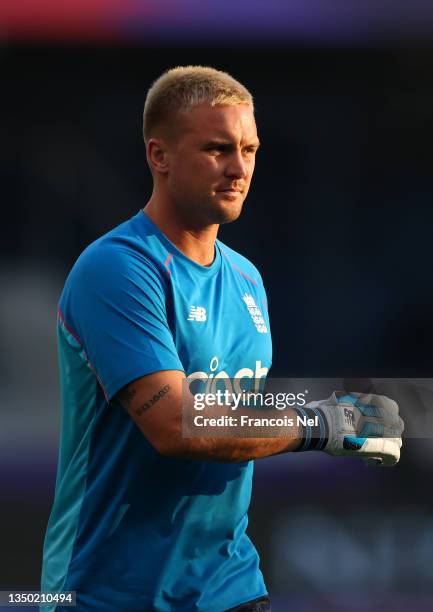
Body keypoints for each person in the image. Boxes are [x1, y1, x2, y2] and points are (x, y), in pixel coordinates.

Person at [41, 66, 403, 612]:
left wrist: (340, 415)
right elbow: (177, 424)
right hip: (106, 595)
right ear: (158, 155)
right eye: (217, 149)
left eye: (250, 149)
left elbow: (239, 413)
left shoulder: (247, 279)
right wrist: (321, 423)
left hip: (230, 587)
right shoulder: (116, 269)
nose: (240, 168)